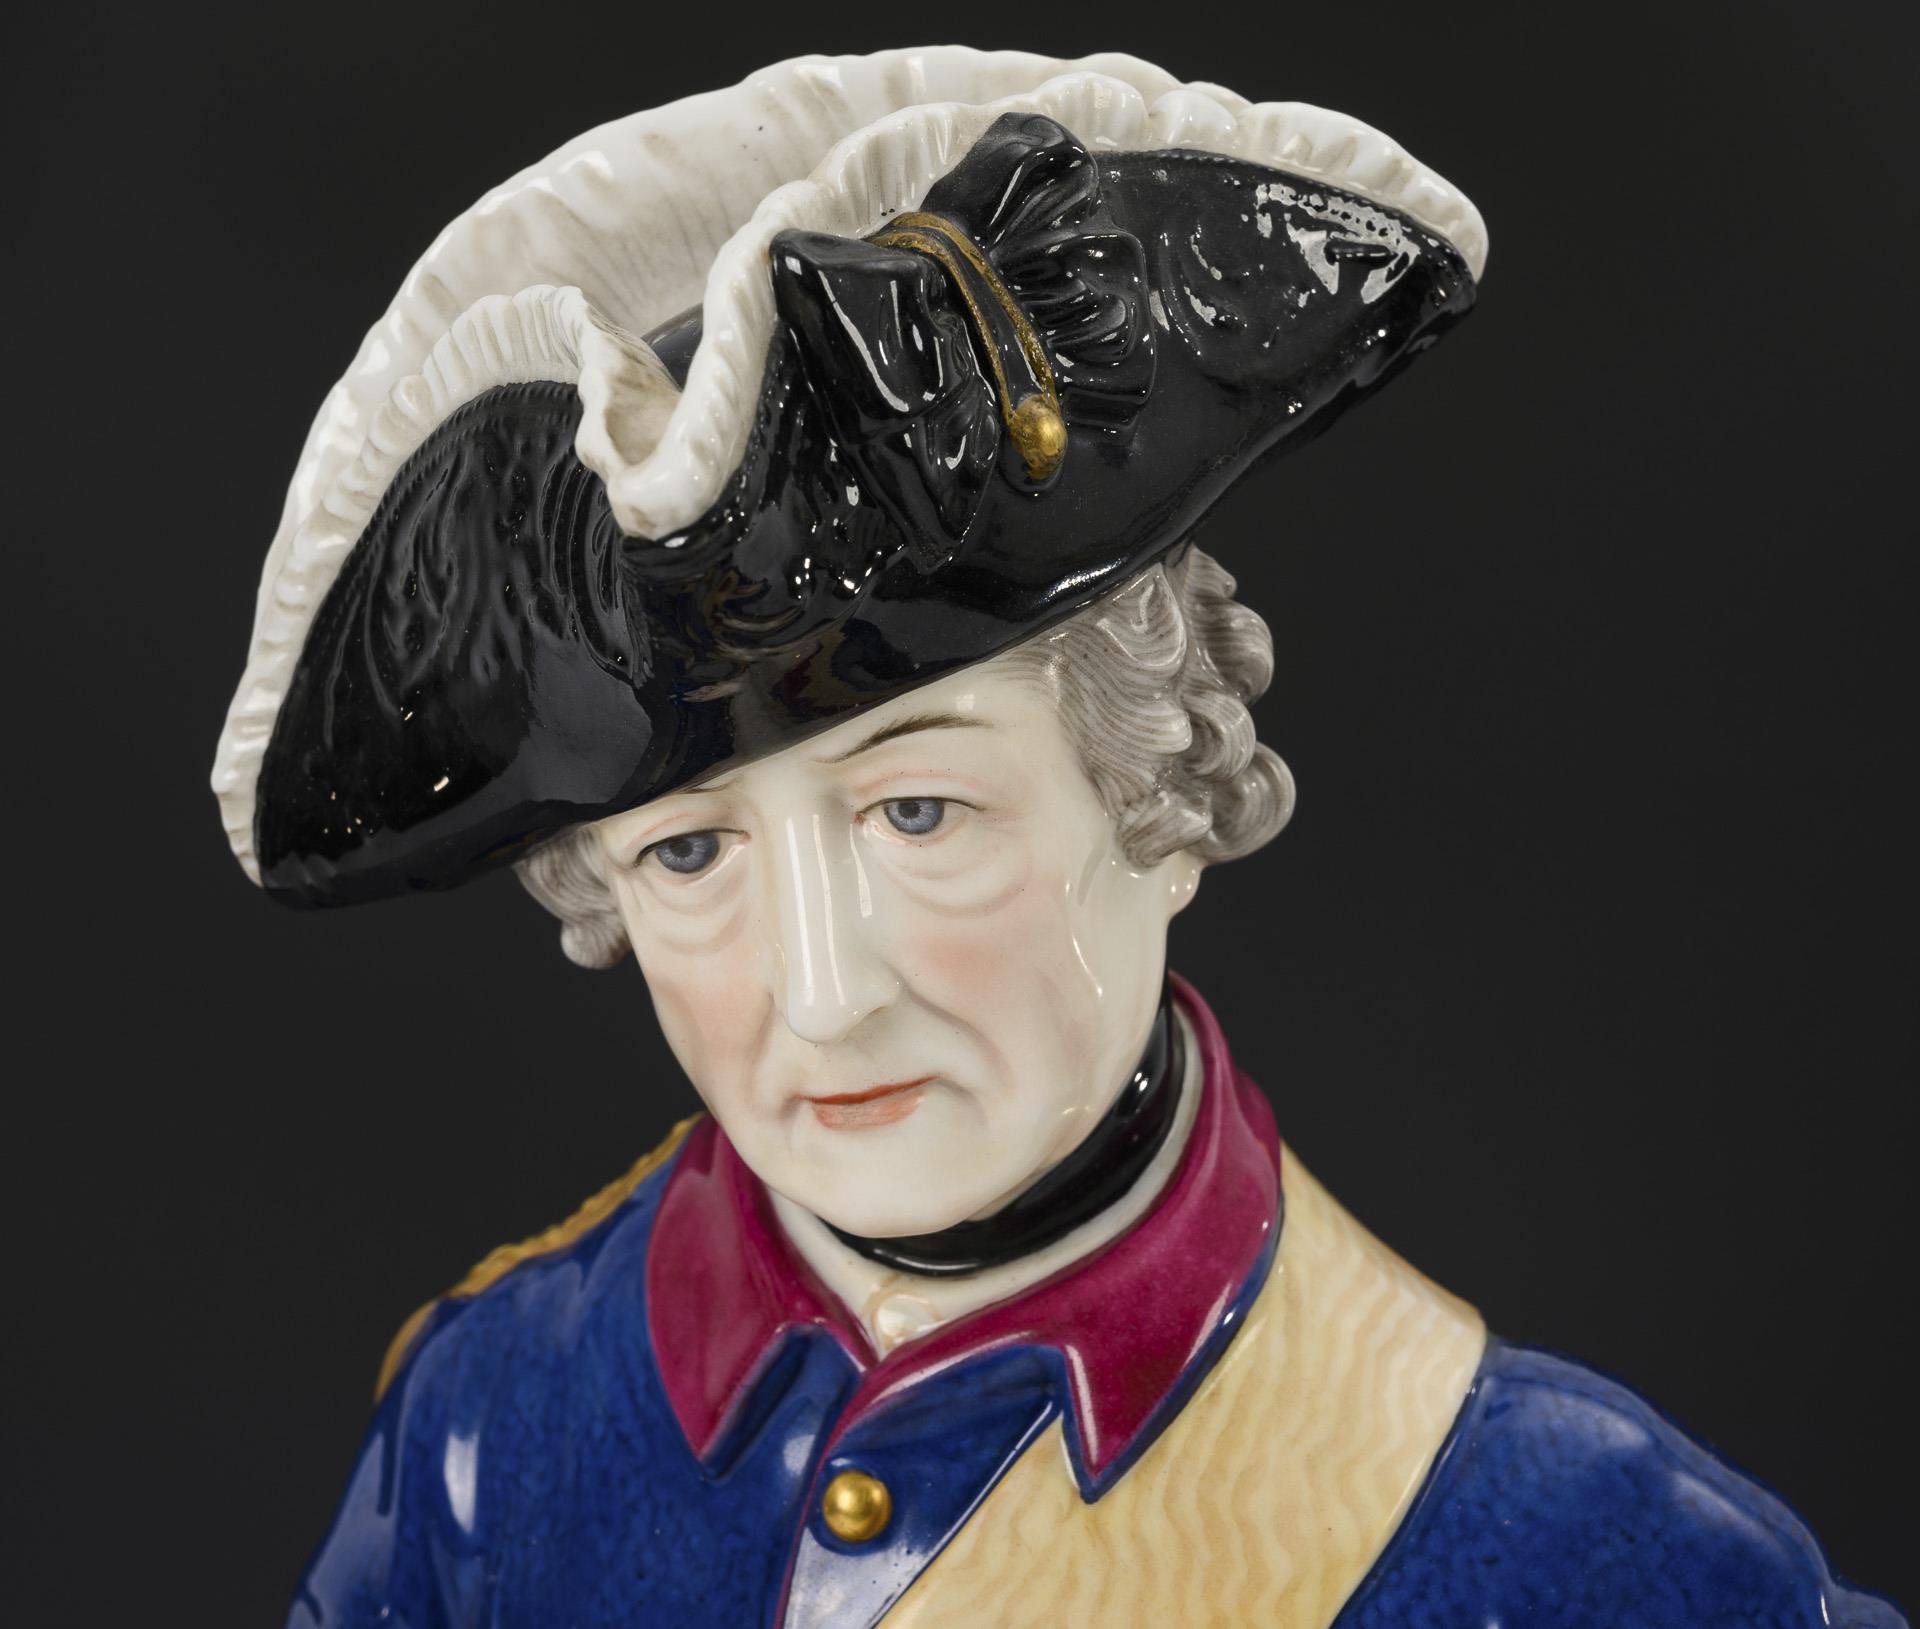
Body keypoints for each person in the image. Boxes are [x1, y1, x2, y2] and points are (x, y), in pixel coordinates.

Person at [212, 48, 1904, 1629]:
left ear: (1160, 800)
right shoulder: (493, 1426)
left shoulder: (1584, 1555)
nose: (824, 995)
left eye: (918, 811)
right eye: (690, 856)